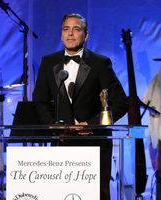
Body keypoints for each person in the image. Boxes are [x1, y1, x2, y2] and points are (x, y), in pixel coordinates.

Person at [33, 13, 128, 200]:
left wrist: (91, 125)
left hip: (94, 145)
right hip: (62, 144)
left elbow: (120, 103)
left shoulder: (100, 63)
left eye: (76, 29)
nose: (70, 34)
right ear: (61, 35)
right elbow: (40, 100)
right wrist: (54, 124)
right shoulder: (48, 62)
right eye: (65, 29)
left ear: (86, 35)